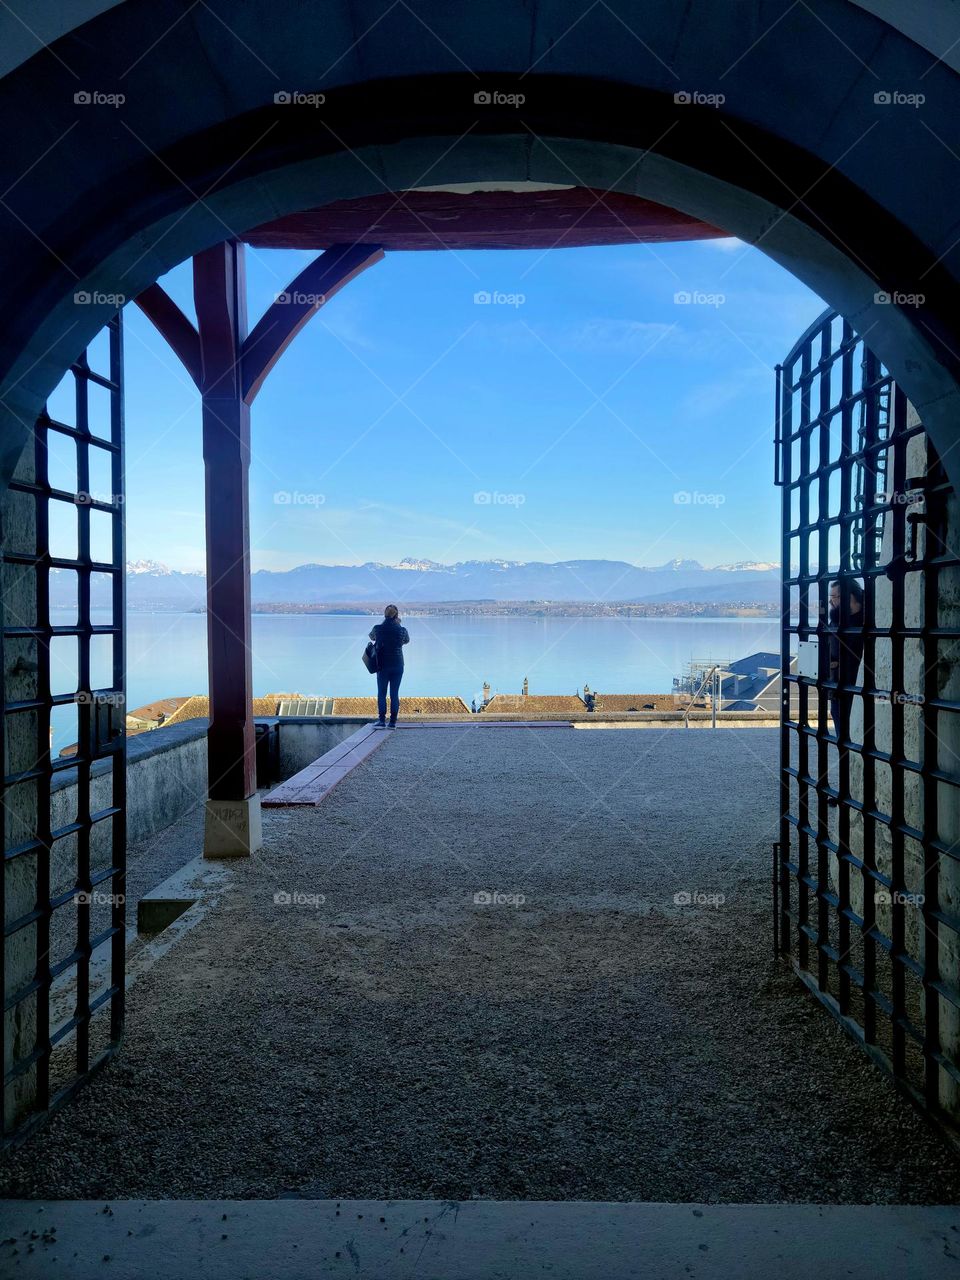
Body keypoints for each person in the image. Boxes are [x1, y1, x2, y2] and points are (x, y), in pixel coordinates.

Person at [828, 578, 864, 744]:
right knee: (843, 740)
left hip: (861, 689)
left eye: (835, 596)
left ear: (850, 596)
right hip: (837, 690)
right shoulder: (835, 622)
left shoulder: (868, 622)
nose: (831, 601)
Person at [369, 604, 409, 728]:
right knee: (394, 693)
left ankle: (381, 721)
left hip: (382, 665)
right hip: (398, 665)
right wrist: (398, 624)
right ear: (396, 615)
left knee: (382, 693)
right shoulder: (402, 630)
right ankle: (392, 722)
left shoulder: (378, 628)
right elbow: (406, 641)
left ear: (385, 615)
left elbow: (371, 636)